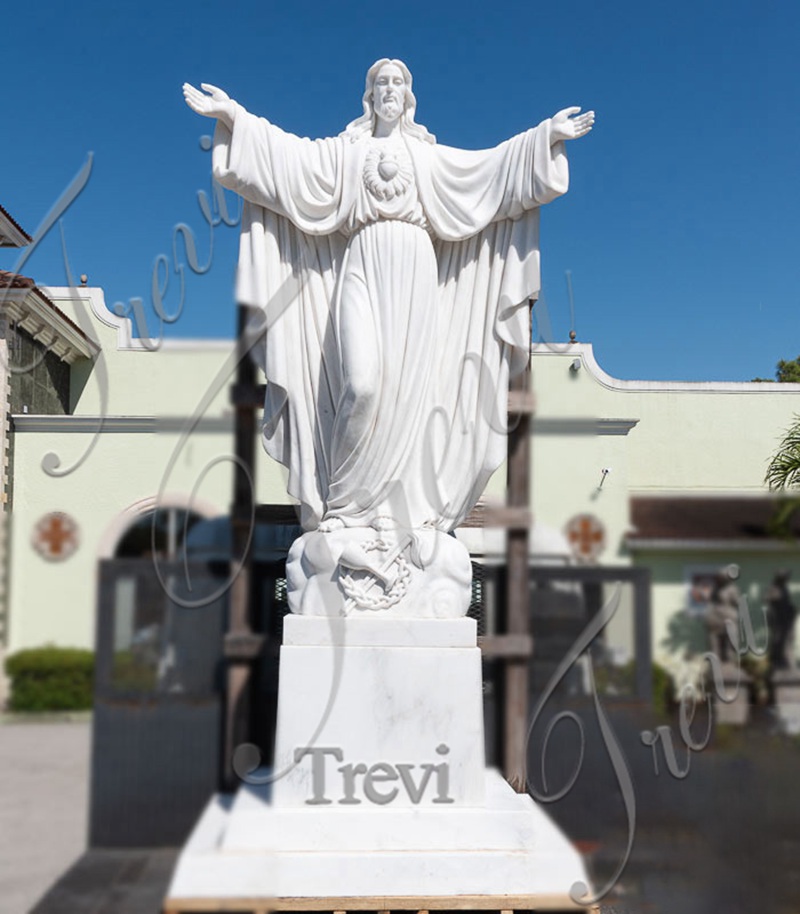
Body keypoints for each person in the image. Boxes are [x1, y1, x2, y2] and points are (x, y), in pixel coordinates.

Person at [183, 60, 594, 614]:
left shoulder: (429, 158)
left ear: (411, 97)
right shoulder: (346, 153)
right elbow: (288, 160)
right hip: (362, 262)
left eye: (399, 83)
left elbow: (491, 173)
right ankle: (344, 507)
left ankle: (400, 511)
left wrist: (545, 138)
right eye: (382, 84)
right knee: (364, 382)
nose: (391, 92)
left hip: (418, 272)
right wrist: (236, 117)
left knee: (411, 397)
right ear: (368, 96)